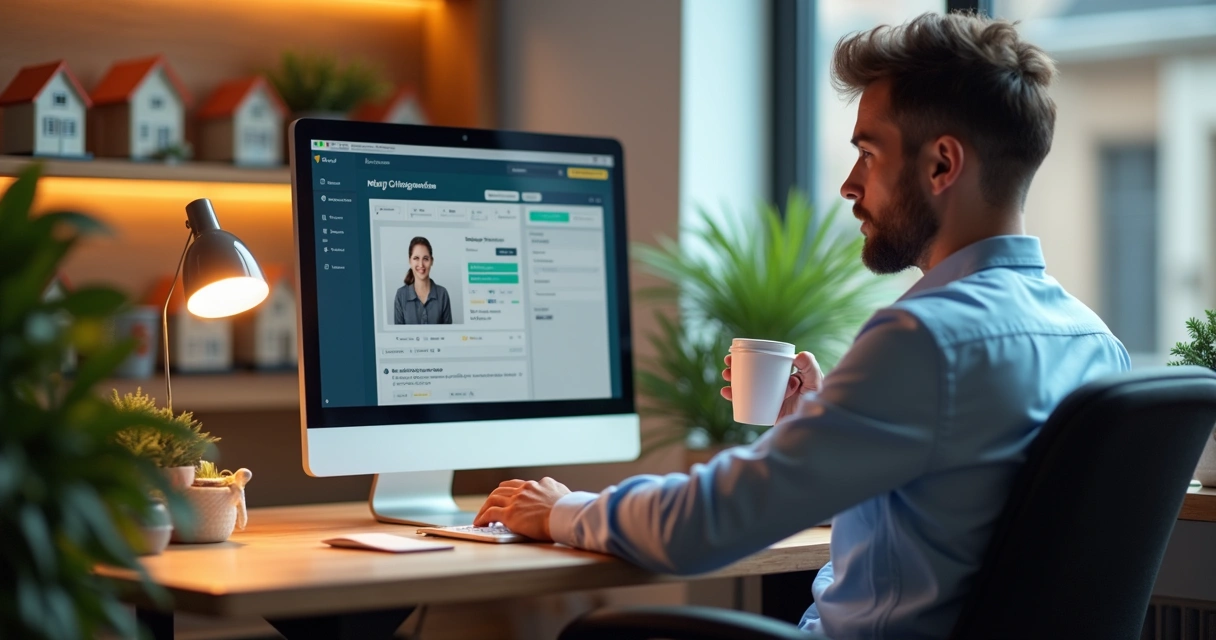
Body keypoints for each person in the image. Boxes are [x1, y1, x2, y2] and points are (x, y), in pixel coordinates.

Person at [475, 12, 1131, 639]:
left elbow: (705, 525)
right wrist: (819, 424)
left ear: (942, 165)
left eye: (868, 153)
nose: (849, 184)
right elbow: (955, 513)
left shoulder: (925, 341)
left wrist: (560, 509)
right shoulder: (1098, 346)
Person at [394, 236, 453, 325]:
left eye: (425, 259)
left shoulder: (442, 294)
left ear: (432, 261)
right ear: (410, 261)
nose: (421, 264)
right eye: (416, 258)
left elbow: (448, 334)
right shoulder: (400, 295)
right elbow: (397, 337)